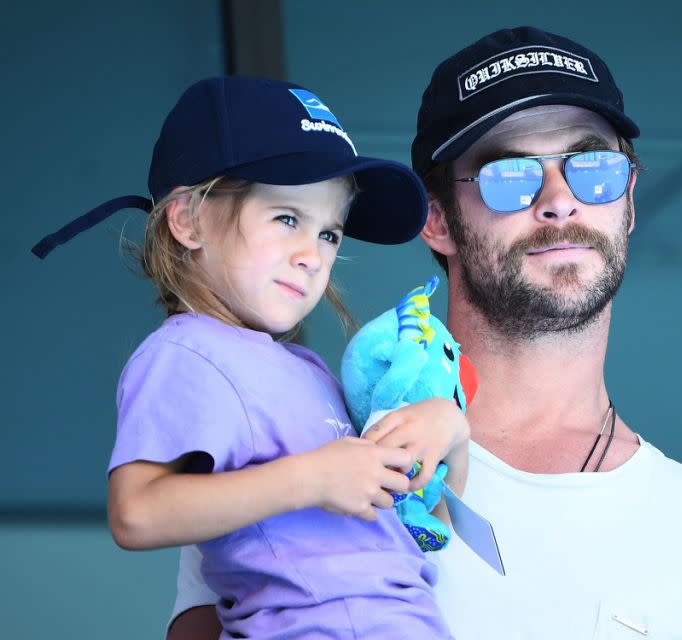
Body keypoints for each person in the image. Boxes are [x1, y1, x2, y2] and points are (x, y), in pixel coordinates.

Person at [169, 28, 682, 639]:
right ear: (437, 220)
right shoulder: (297, 451)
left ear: (630, 200)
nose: (559, 200)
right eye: (510, 175)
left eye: (593, 166)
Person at [35, 75, 470, 639]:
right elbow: (136, 513)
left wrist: (450, 436)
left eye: (331, 234)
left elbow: (427, 534)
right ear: (188, 220)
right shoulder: (184, 351)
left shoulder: (309, 372)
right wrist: (312, 478)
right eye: (287, 218)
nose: (312, 256)